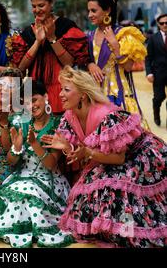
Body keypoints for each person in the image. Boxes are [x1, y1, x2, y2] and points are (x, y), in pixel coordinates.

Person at [43, 66, 167, 248]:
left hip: (141, 157)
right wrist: (68, 146)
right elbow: (81, 150)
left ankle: (126, 232)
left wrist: (87, 153)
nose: (60, 94)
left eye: (66, 90)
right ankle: (109, 229)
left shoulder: (106, 115)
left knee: (114, 186)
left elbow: (119, 159)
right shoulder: (69, 116)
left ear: (83, 95)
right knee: (92, 186)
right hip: (108, 158)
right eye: (62, 89)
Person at [0, 80, 73, 248]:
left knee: (30, 193)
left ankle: (35, 227)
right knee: (13, 197)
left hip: (49, 180)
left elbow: (51, 165)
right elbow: (11, 161)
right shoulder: (20, 122)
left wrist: (34, 144)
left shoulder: (58, 123)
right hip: (22, 176)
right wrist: (17, 148)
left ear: (46, 98)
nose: (31, 106)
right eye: (26, 103)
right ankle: (24, 228)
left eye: (34, 100)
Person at [16, 0, 90, 115]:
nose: (37, 10)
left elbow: (69, 63)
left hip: (59, 90)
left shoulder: (65, 26)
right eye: (33, 6)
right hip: (33, 91)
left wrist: (51, 38)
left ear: (51, 3)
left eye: (41, 5)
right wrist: (37, 42)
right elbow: (20, 67)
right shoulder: (28, 31)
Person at [86, 0, 148, 126]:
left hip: (119, 96)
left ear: (107, 10)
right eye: (88, 11)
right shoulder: (89, 36)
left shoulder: (124, 35)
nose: (89, 15)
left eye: (94, 10)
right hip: (96, 96)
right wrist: (90, 65)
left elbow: (128, 67)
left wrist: (115, 44)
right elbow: (84, 61)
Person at [146, 13, 167, 127]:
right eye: (162, 23)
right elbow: (148, 57)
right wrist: (149, 73)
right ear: (159, 25)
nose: (165, 25)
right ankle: (156, 113)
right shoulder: (153, 38)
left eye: (166, 23)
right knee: (159, 97)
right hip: (158, 73)